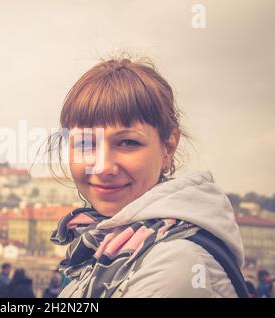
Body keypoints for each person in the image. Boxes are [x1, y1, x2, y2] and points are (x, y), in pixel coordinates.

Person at [48, 56, 246, 298]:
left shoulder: (174, 265)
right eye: (86, 143)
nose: (102, 167)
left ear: (168, 147)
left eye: (128, 142)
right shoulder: (112, 242)